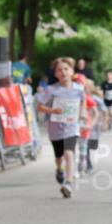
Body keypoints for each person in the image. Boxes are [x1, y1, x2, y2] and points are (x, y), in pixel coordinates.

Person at [36, 57, 85, 198]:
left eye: (66, 69)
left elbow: (83, 102)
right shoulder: (51, 90)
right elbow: (39, 106)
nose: (63, 72)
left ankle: (68, 183)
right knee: (59, 157)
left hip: (72, 127)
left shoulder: (79, 88)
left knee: (69, 153)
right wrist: (52, 111)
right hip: (55, 128)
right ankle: (59, 169)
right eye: (59, 70)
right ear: (56, 74)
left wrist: (82, 113)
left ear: (72, 71)